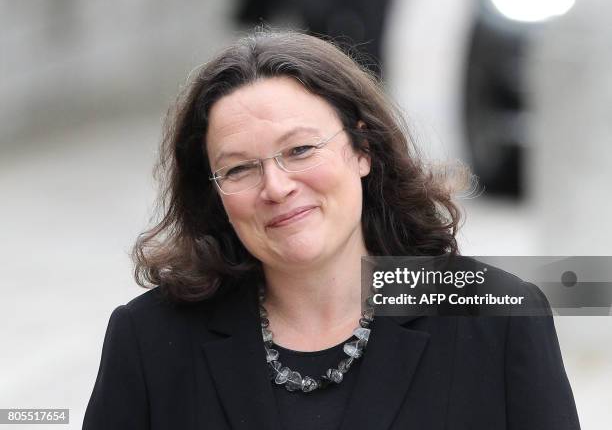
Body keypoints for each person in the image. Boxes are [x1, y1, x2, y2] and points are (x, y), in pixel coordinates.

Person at [83, 29, 580, 429]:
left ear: (362, 149)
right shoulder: (148, 339)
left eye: (300, 150)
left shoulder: (499, 317)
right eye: (239, 169)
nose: (275, 187)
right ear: (213, 191)